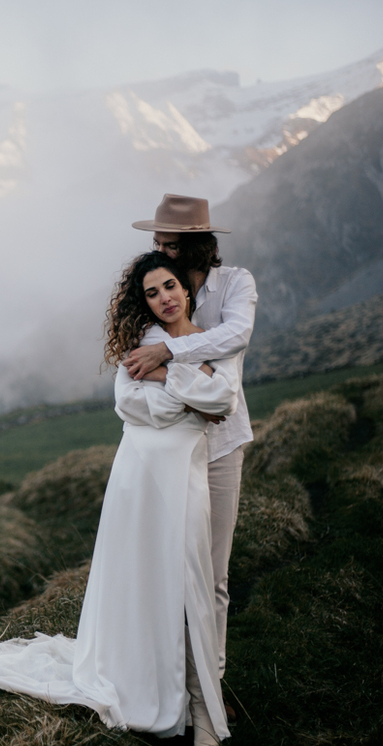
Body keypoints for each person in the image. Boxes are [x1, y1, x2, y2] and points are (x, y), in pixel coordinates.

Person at [0, 251, 239, 746]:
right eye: (151, 292)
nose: (164, 297)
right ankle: (142, 680)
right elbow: (130, 404)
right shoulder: (141, 342)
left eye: (170, 286)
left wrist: (168, 374)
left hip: (181, 471)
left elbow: (223, 401)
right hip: (138, 472)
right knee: (137, 576)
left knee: (190, 576)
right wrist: (189, 387)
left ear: (186, 290)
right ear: (142, 301)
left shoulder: (213, 341)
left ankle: (201, 706)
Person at [125, 194, 257, 714]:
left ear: (198, 245)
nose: (160, 252)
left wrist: (169, 352)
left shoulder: (235, 284)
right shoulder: (156, 293)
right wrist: (160, 364)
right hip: (167, 449)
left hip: (221, 445)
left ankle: (208, 690)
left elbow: (235, 336)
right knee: (165, 570)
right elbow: (132, 371)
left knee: (214, 574)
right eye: (157, 243)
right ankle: (164, 681)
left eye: (169, 245)